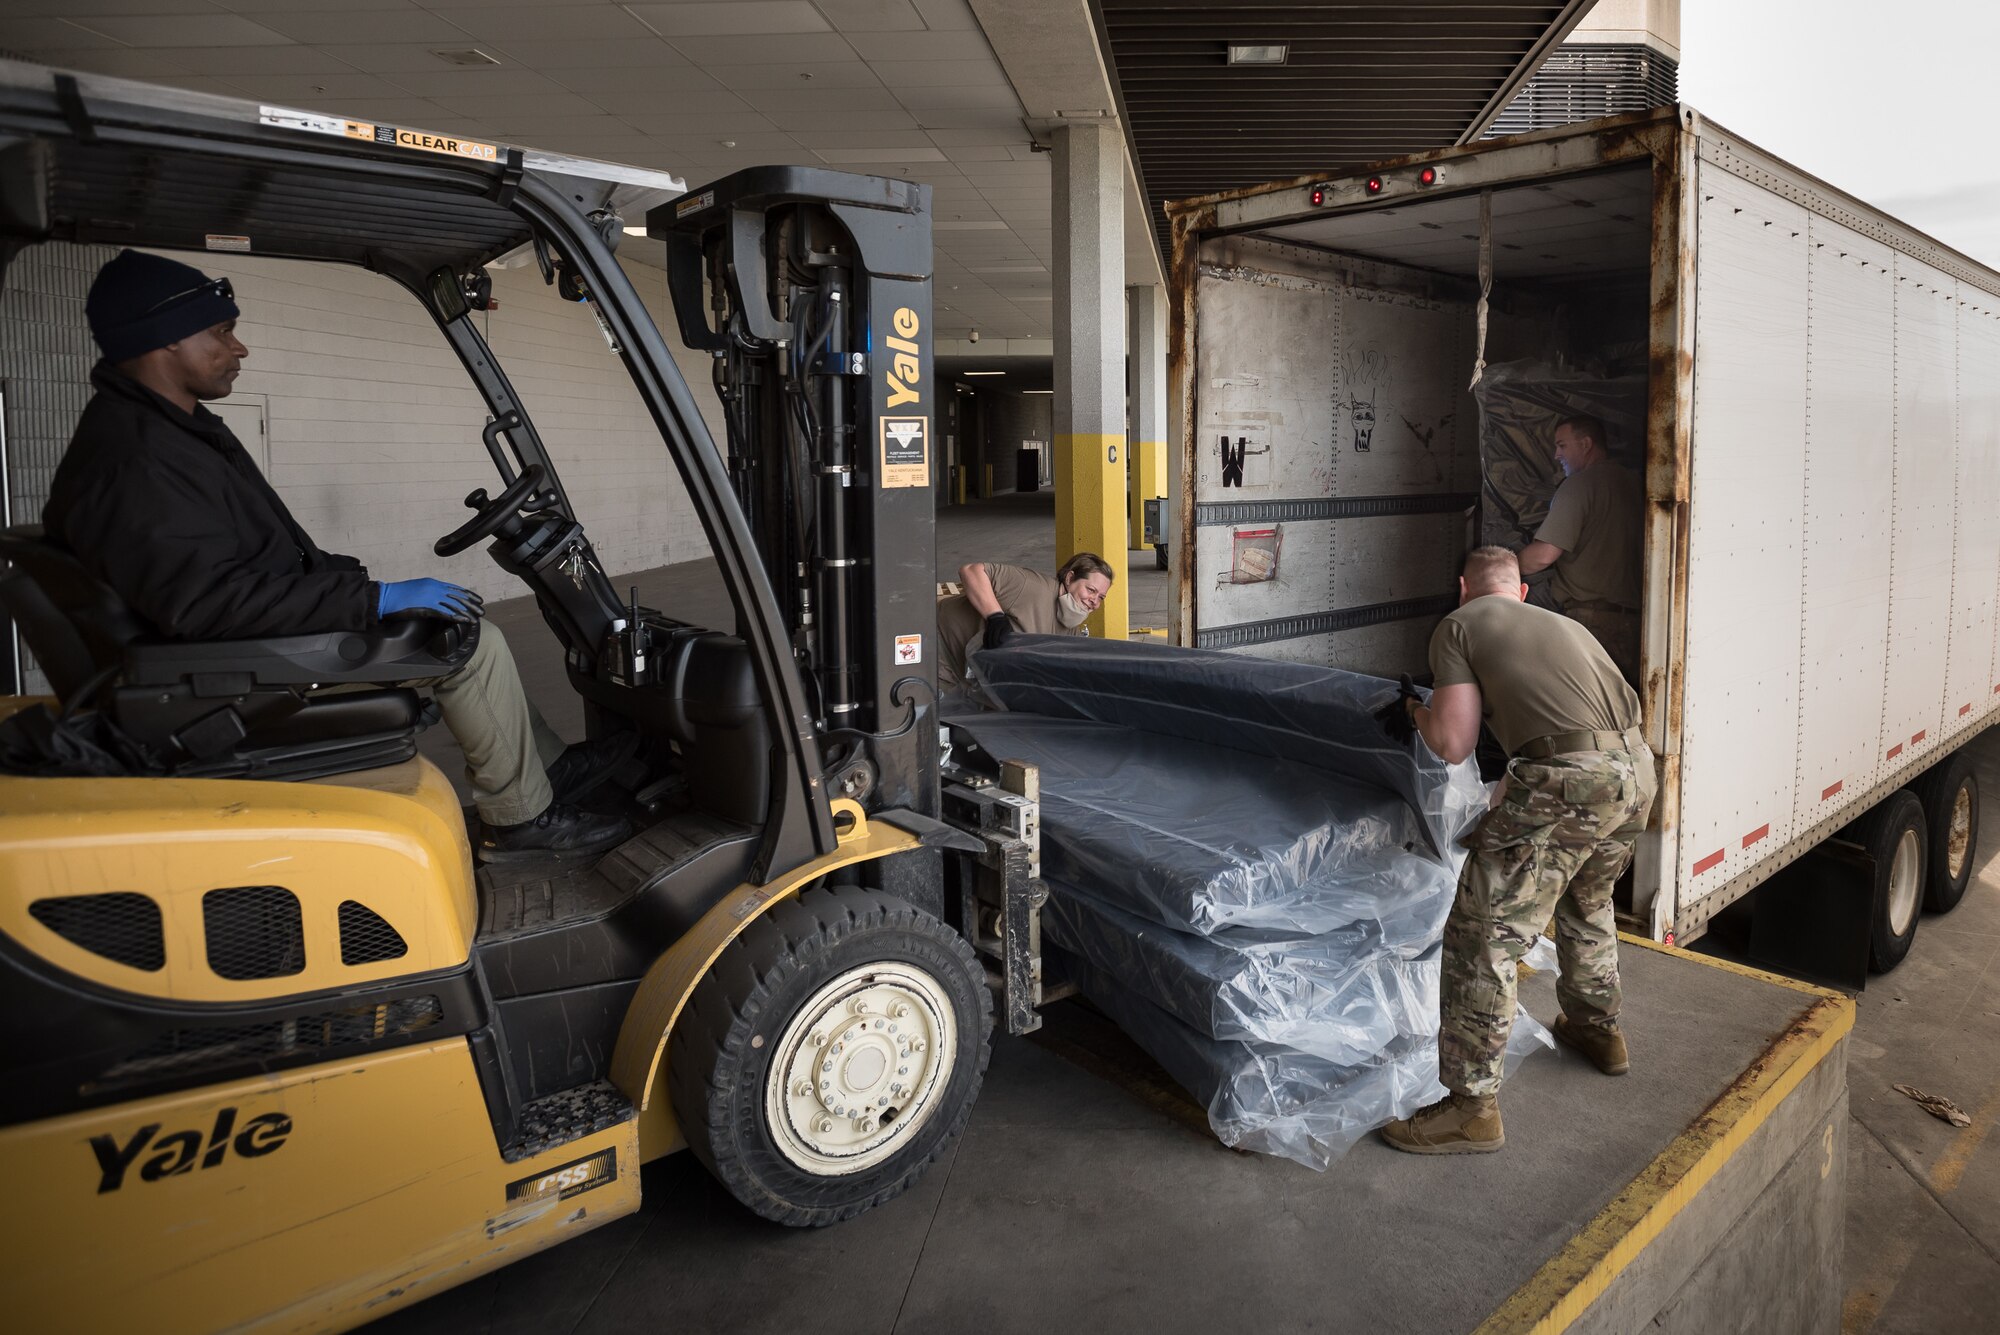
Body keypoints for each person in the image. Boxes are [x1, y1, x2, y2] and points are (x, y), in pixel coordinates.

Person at [41, 249, 632, 863]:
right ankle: (520, 822)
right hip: (225, 672)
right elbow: (209, 602)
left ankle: (548, 771)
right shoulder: (138, 459)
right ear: (163, 341)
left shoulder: (170, 432)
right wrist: (372, 598)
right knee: (469, 648)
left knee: (457, 626)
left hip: (230, 646)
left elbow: (256, 560)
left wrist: (361, 591)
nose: (238, 348)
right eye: (221, 332)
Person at [1380, 546, 1655, 1155]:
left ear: (1463, 589)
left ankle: (1470, 1108)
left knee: (1484, 935)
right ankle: (1598, 1030)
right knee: (1588, 898)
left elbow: (1453, 742)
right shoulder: (1566, 625)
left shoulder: (1460, 625)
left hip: (1569, 778)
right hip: (1634, 770)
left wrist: (1413, 709)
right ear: (1521, 591)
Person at [1515, 413, 1643, 684]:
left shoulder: (1579, 485)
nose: (1555, 455)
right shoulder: (1635, 484)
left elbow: (1543, 555)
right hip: (1634, 623)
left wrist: (1501, 568)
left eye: (1562, 445)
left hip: (1591, 622)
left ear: (1585, 444)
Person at [934, 552, 1114, 703]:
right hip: (935, 645)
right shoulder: (1031, 587)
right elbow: (971, 571)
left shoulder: (1071, 629)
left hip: (966, 672)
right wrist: (995, 616)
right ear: (1069, 578)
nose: (1095, 601)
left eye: (1101, 597)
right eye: (1091, 590)